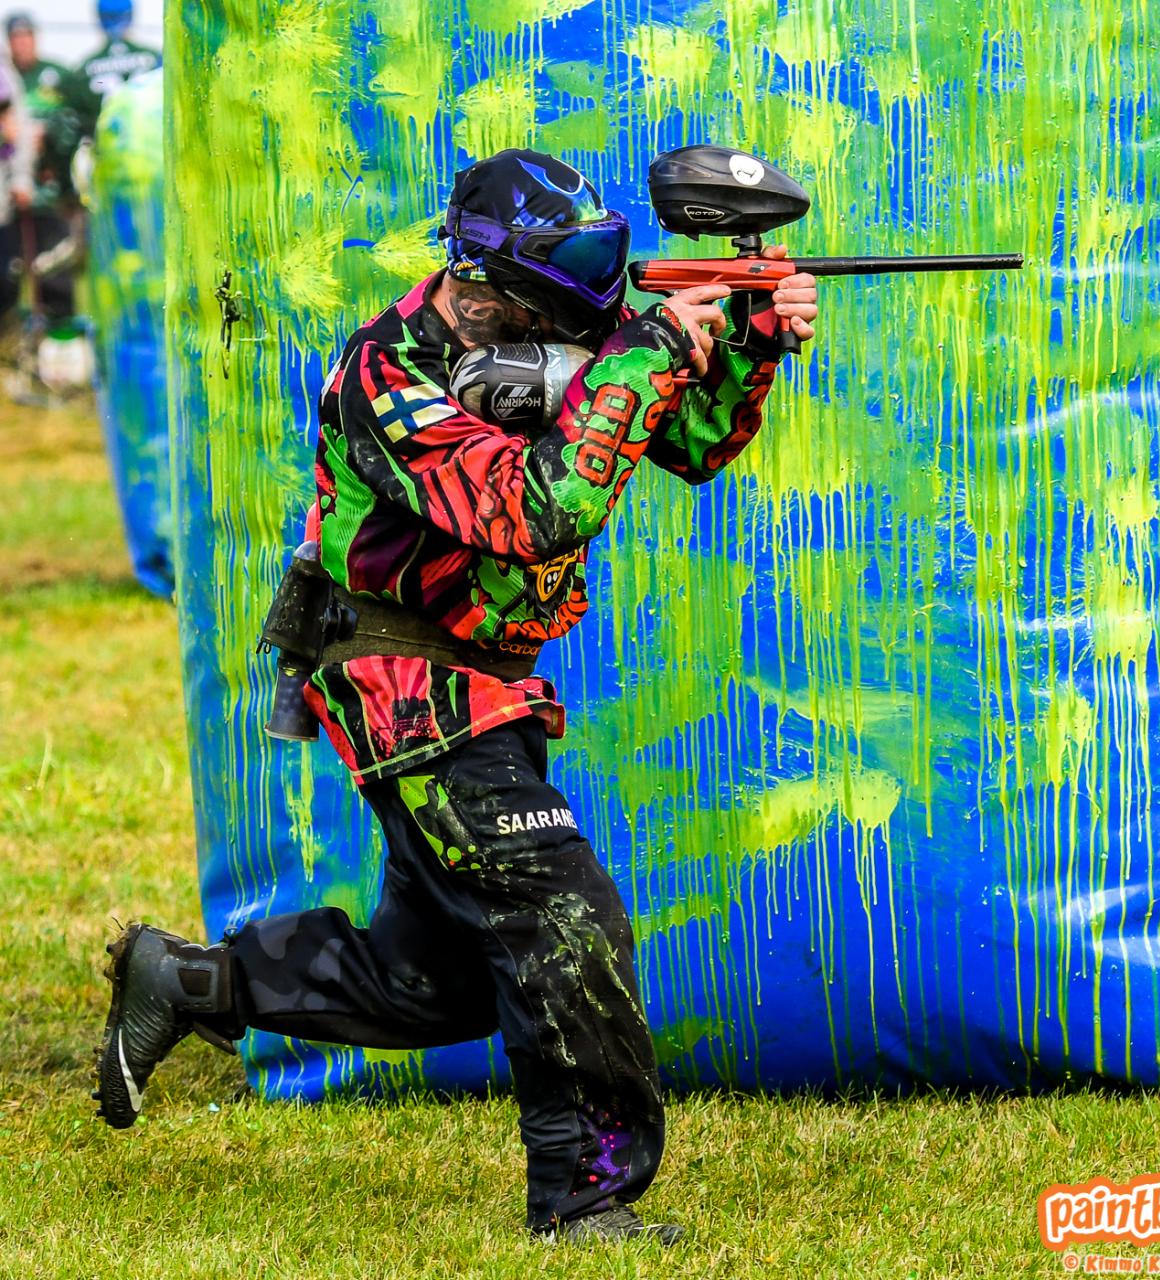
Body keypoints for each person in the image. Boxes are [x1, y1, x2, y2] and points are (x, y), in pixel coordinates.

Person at [93, 149, 818, 1243]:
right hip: (402, 680)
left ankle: (193, 982)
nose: (593, 304)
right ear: (487, 279)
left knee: (440, 981)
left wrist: (750, 343)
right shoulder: (387, 375)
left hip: (487, 684)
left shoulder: (558, 335)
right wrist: (649, 351)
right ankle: (586, 1199)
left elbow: (690, 441)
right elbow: (535, 512)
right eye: (566, 278)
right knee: (559, 910)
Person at [6, 13, 79, 320]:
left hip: (49, 194)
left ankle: (59, 332)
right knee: (9, 273)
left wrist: (49, 144)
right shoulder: (7, 78)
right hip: (11, 198)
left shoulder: (57, 74)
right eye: (16, 38)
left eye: (27, 37)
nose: (22, 44)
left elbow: (74, 125)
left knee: (54, 271)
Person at [65, 1, 160, 142]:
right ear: (130, 16)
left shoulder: (83, 69)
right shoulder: (155, 58)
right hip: (151, 143)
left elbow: (77, 121)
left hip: (107, 145)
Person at [0, 48, 34, 320]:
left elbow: (18, 131)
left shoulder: (4, 74)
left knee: (7, 280)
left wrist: (22, 178)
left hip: (3, 201)